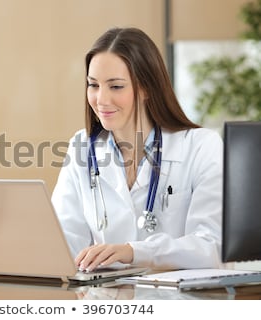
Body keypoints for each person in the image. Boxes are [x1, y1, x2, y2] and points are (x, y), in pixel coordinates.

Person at [51, 27, 223, 272]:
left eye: (116, 86)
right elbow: (63, 246)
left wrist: (134, 252)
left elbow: (211, 248)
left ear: (146, 88)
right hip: (108, 301)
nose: (101, 99)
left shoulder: (201, 146)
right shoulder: (81, 147)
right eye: (93, 85)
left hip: (180, 301)